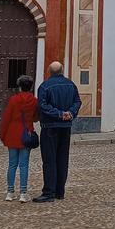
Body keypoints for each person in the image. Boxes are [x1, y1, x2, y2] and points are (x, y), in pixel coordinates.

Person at [33, 61, 81, 203]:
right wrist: (69, 113)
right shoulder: (71, 85)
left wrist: (59, 114)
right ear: (62, 70)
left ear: (49, 71)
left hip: (50, 127)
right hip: (65, 127)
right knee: (62, 159)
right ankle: (60, 191)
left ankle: (49, 192)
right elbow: (77, 102)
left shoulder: (45, 86)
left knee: (49, 160)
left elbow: (43, 106)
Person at [0, 74, 38, 203]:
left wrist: (2, 135)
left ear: (20, 87)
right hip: (26, 134)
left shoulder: (13, 100)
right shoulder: (34, 101)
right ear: (30, 87)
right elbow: (36, 117)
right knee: (24, 165)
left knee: (12, 164)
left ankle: (10, 192)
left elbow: (6, 118)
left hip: (12, 134)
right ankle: (23, 193)